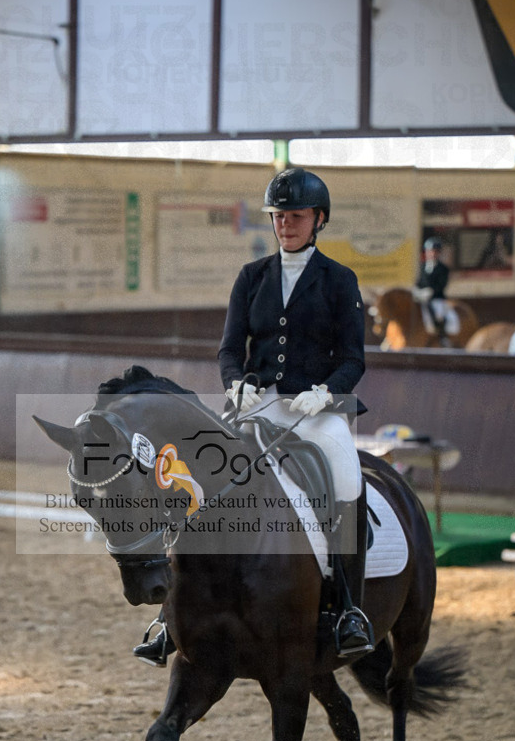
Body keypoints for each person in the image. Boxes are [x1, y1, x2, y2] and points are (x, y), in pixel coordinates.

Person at [134, 167, 374, 665]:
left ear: (318, 219)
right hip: (257, 403)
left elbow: (354, 357)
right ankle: (170, 614)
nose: (286, 223)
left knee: (346, 477)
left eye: (297, 216)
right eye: (279, 215)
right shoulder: (251, 277)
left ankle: (348, 609)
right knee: (196, 477)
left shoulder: (339, 279)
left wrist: (326, 392)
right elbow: (229, 349)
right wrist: (234, 383)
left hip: (315, 409)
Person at [414, 237, 456, 345]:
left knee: (439, 314)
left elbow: (442, 285)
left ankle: (442, 337)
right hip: (422, 298)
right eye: (430, 251)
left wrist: (431, 291)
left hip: (437, 298)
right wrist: (418, 290)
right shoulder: (422, 267)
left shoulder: (443, 269)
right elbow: (419, 282)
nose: (432, 254)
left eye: (434, 251)